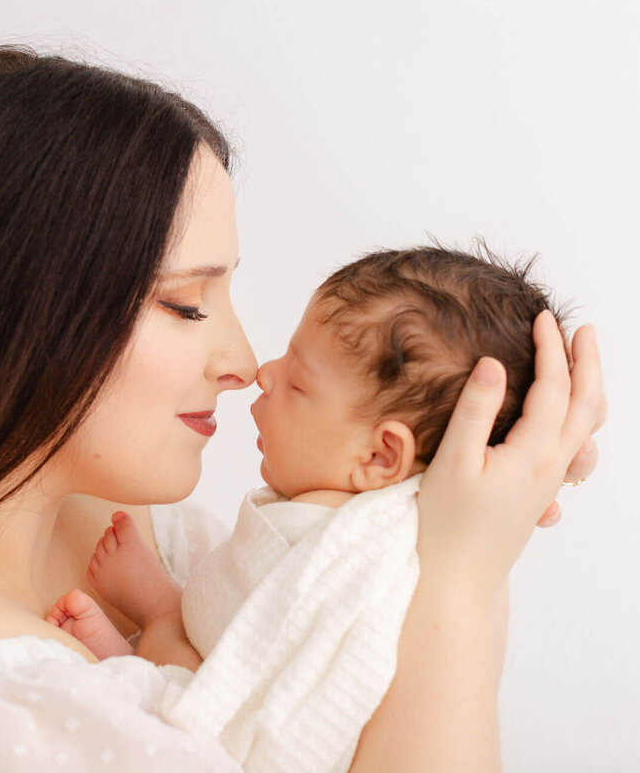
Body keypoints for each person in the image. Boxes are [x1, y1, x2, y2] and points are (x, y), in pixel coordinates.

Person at [0, 45, 605, 772]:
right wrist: (463, 582)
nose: (239, 361)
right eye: (187, 303)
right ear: (11, 317)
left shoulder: (146, 547)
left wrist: (448, 503)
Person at [46, 245, 572, 770]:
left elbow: (226, 699)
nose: (263, 373)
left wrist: (160, 615)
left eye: (297, 383)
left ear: (381, 455)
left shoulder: (324, 544)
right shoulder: (420, 542)